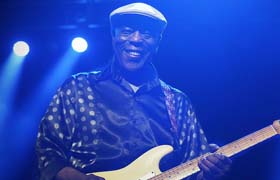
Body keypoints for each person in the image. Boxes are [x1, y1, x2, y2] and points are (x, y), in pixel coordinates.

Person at [36, 2, 231, 180]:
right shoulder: (78, 87)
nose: (136, 39)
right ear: (113, 35)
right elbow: (48, 150)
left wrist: (211, 171)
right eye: (127, 31)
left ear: (158, 41)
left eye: (147, 34)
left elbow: (194, 168)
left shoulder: (178, 101)